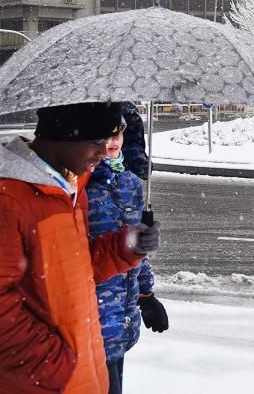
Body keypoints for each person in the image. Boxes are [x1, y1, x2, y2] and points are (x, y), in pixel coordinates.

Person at [0, 102, 161, 393]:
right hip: (42, 383)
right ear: (66, 135)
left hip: (82, 376)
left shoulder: (66, 191)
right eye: (97, 142)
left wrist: (128, 246)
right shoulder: (4, 202)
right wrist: (58, 366)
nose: (104, 152)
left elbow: (76, 269)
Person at [87, 103, 168, 394]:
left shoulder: (130, 183)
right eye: (106, 134)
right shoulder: (82, 185)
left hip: (120, 318)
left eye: (120, 132)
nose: (114, 141)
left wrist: (146, 295)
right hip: (89, 321)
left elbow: (136, 254)